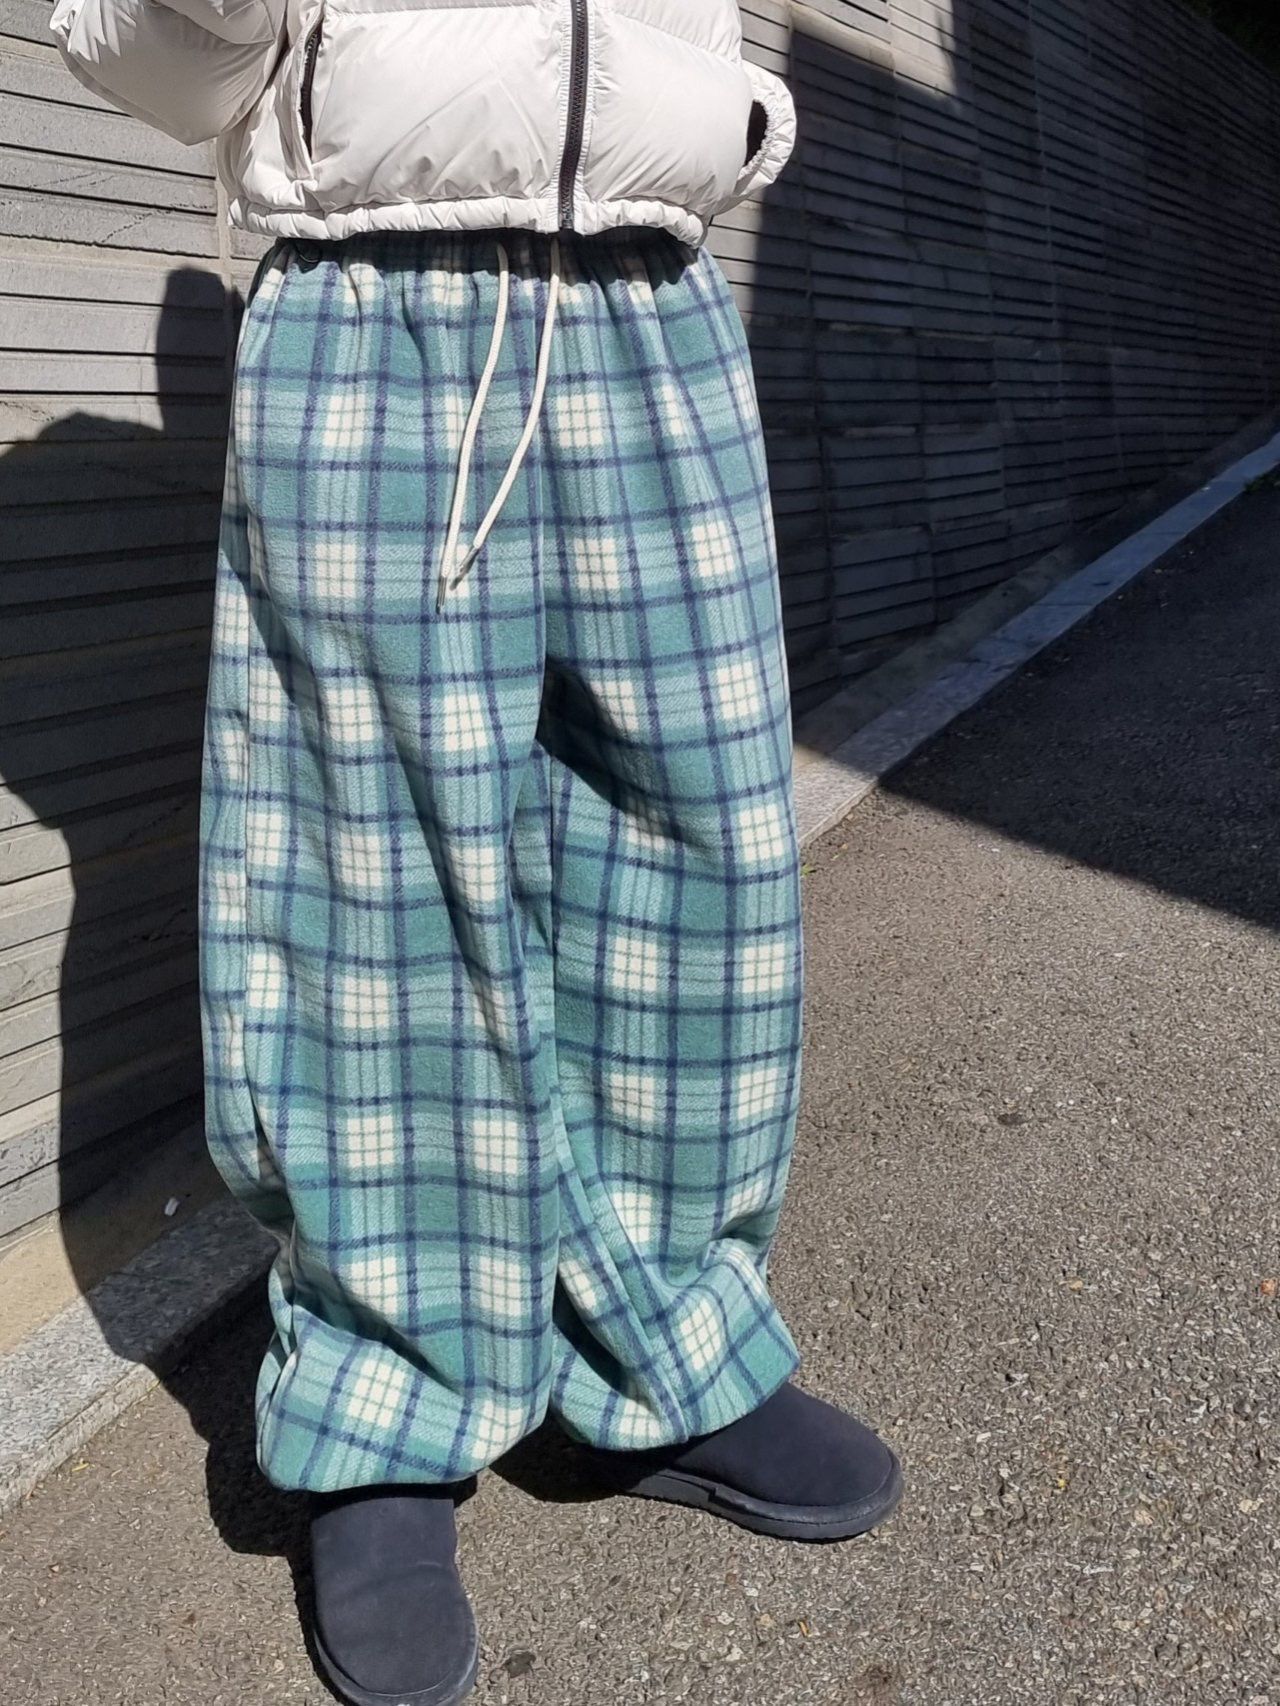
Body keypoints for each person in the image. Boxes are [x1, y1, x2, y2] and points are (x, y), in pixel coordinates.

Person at [48, 2, 904, 1701]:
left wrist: (738, 118)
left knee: (706, 861)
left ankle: (668, 1342)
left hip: (658, 297)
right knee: (371, 886)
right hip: (377, 295)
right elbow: (131, 48)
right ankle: (387, 1398)